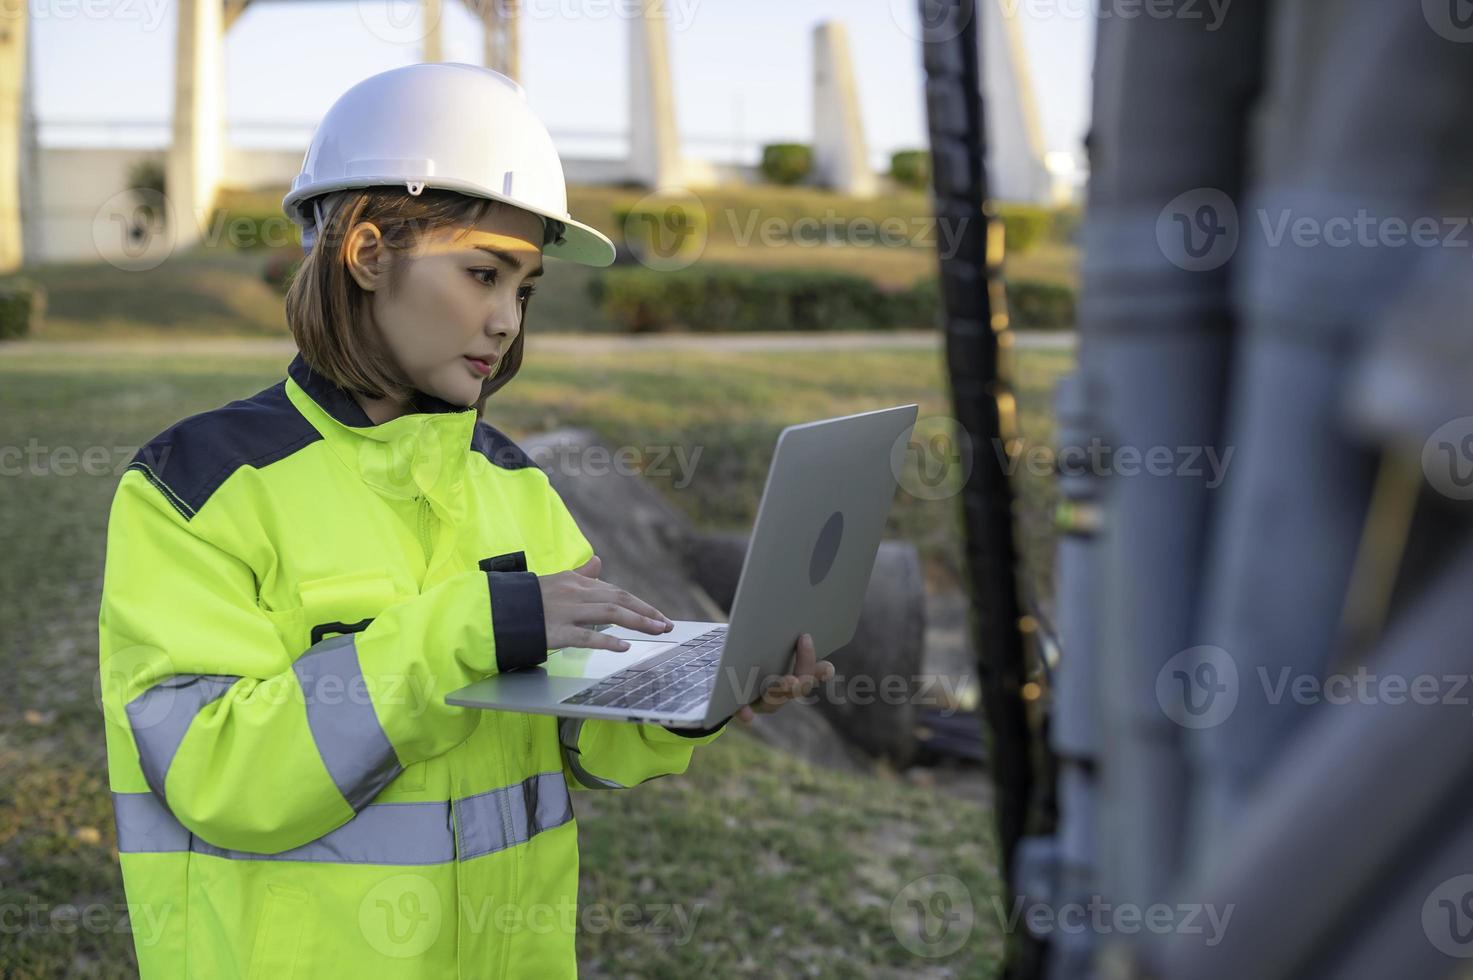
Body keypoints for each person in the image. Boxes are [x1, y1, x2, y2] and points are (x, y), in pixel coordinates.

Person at [96, 62, 834, 978]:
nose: (503, 322)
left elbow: (576, 735)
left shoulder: (516, 488)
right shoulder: (196, 489)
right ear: (366, 253)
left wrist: (695, 701)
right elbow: (218, 777)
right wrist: (471, 630)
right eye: (483, 274)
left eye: (523, 290)